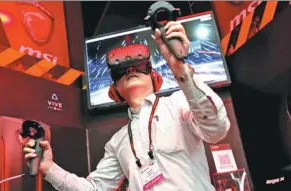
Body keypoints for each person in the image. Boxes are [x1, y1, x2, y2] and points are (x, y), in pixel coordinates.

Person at [23, 21, 230, 191]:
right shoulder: (118, 141)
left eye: (140, 67)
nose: (131, 70)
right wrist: (49, 168)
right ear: (115, 90)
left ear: (154, 77)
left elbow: (215, 129)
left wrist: (181, 70)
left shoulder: (177, 104)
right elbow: (93, 189)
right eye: (120, 71)